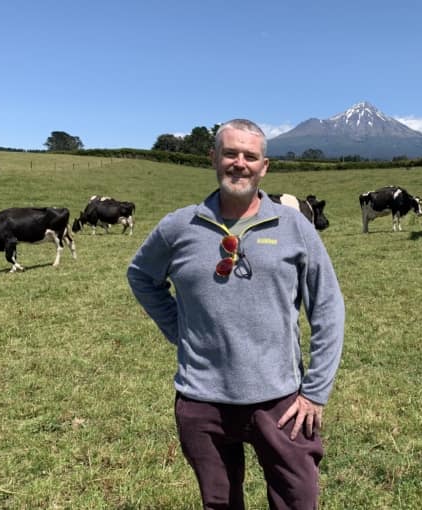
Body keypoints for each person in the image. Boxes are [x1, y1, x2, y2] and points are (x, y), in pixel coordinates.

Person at [127, 119, 345, 509]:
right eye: (230, 153)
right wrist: (179, 327)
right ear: (213, 158)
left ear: (265, 166)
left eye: (250, 156)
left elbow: (327, 306)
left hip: (282, 403)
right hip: (202, 401)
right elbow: (141, 277)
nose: (239, 163)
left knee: (297, 502)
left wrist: (314, 392)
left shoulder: (294, 226)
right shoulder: (179, 227)